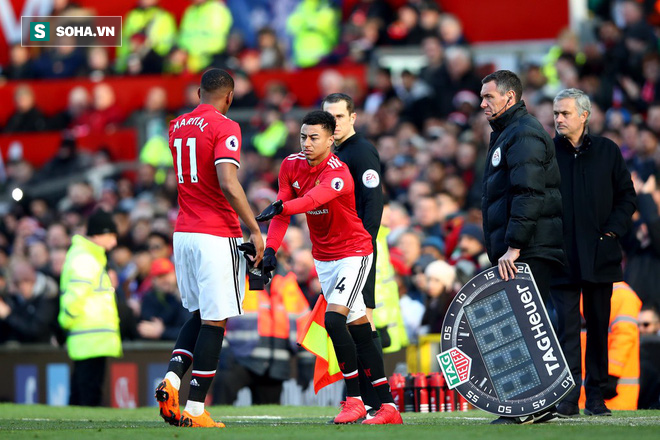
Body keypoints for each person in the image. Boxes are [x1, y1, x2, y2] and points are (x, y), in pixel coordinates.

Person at [256, 110, 402, 425]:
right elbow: (281, 212)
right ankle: (388, 407)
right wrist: (270, 250)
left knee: (334, 321)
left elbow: (309, 201)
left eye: (314, 138)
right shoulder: (290, 165)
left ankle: (355, 401)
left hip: (354, 252)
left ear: (330, 139)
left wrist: (282, 205)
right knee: (359, 328)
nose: (307, 143)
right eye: (303, 137)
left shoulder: (339, 172)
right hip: (324, 258)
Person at [155, 68, 264, 429]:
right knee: (215, 320)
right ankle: (197, 409)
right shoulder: (225, 126)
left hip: (183, 231)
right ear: (230, 97)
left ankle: (171, 382)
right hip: (216, 233)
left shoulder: (176, 125)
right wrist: (254, 228)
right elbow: (228, 183)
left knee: (199, 313)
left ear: (199, 91)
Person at [479, 70, 565, 424]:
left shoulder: (524, 134)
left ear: (509, 98)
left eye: (489, 97)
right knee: (528, 325)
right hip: (526, 245)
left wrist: (514, 246)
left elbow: (529, 194)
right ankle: (538, 406)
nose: (482, 103)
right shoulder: (508, 133)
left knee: (527, 326)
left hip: (528, 247)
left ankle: (527, 406)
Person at [551, 88, 637, 418]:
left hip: (601, 255)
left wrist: (611, 231)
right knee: (567, 329)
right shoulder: (548, 153)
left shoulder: (607, 151)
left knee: (600, 326)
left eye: (565, 114)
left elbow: (627, 197)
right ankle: (569, 396)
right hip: (562, 255)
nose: (558, 119)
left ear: (584, 116)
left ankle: (596, 395)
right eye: (556, 113)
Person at [322, 93, 386, 415]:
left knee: (360, 323)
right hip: (341, 251)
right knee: (352, 323)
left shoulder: (360, 152)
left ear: (353, 118)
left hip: (358, 252)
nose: (333, 123)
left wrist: (364, 248)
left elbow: (373, 205)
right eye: (328, 118)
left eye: (339, 117)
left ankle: (374, 401)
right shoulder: (336, 154)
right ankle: (364, 399)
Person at [58, 209, 122, 406]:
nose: (115, 242)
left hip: (90, 338)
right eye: (111, 235)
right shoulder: (86, 259)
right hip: (89, 337)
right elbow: (75, 297)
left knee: (83, 391)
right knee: (88, 393)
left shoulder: (89, 257)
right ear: (98, 234)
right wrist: (65, 322)